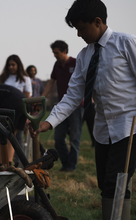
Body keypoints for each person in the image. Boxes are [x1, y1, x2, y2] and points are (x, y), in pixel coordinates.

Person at [31, 0, 136, 219]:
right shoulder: (84, 56)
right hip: (102, 131)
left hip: (129, 128)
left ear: (97, 22)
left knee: (116, 184)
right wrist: (48, 122)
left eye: (81, 28)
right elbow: (72, 96)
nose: (78, 34)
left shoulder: (126, 43)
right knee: (106, 185)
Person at [41, 40, 83, 172]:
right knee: (58, 137)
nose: (55, 55)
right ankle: (65, 164)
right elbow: (50, 83)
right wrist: (42, 98)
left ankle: (72, 166)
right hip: (61, 107)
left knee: (74, 138)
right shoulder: (57, 65)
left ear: (65, 51)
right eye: (53, 53)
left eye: (57, 52)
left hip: (77, 106)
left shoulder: (76, 63)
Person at [0, 55, 32, 167]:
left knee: (18, 138)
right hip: (5, 112)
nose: (11, 67)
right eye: (9, 65)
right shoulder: (4, 79)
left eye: (13, 65)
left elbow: (27, 98)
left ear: (18, 65)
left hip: (19, 113)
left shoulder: (25, 80)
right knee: (4, 137)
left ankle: (19, 163)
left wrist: (27, 116)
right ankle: (5, 162)